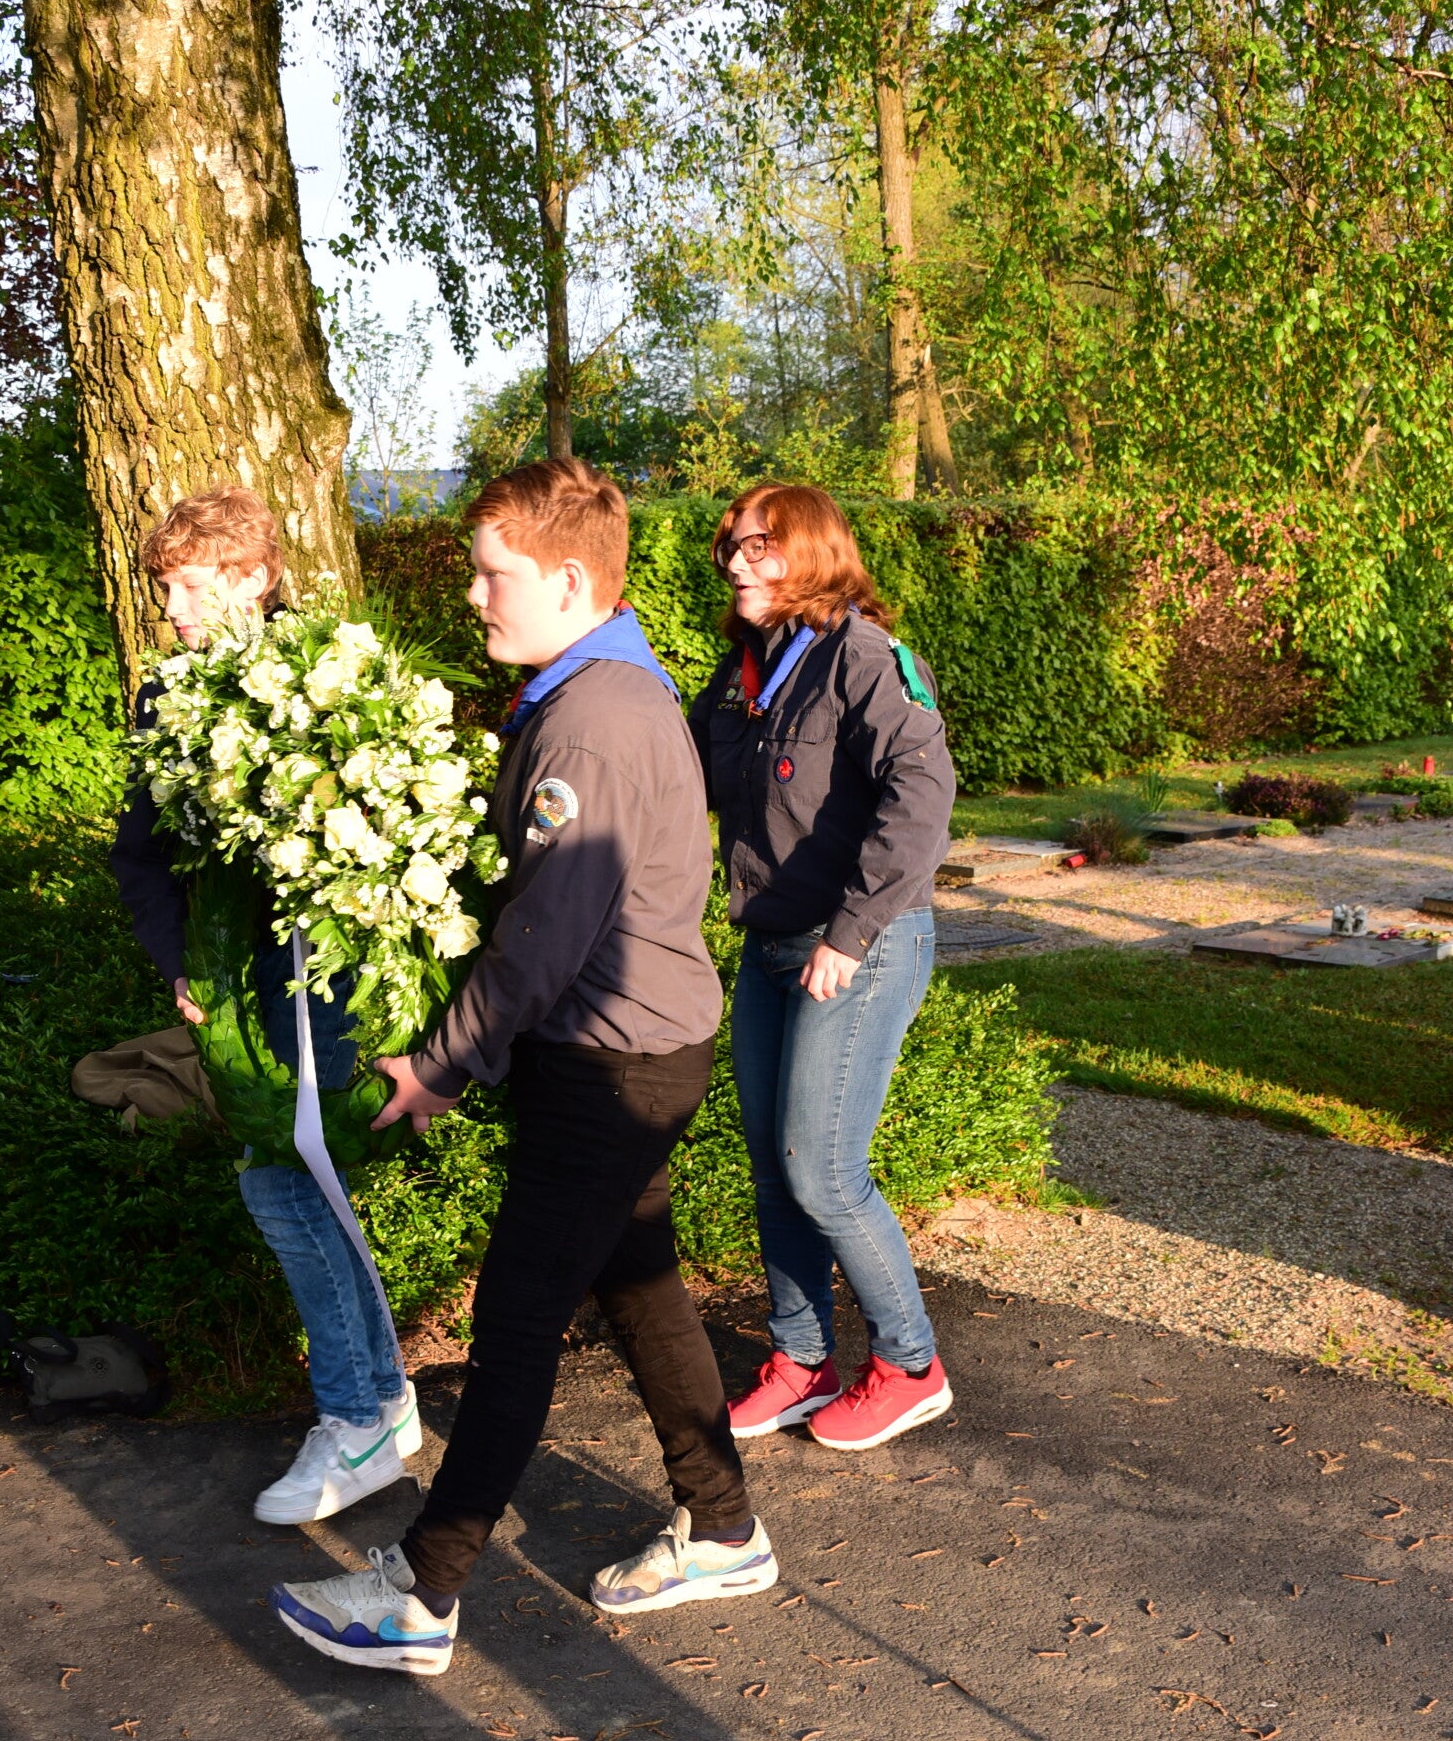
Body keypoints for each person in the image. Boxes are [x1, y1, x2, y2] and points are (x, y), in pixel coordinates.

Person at [270, 458, 771, 1678]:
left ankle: (421, 1592)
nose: (474, 593)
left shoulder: (591, 722)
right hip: (637, 1051)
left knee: (514, 1325)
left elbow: (544, 934)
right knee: (638, 1282)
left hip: (609, 1067)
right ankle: (723, 1527)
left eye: (493, 573)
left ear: (570, 580)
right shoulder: (596, 691)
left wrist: (443, 1062)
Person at [110, 486, 422, 1521]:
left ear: (253, 578)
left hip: (325, 982)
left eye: (190, 587)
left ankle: (356, 1417)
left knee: (291, 1187)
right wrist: (182, 965)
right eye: (165, 590)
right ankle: (380, 1401)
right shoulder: (166, 694)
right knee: (298, 1187)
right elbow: (141, 854)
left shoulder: (336, 674)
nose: (172, 611)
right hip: (232, 986)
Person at [695, 483, 957, 1451]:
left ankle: (911, 1365)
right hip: (770, 946)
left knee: (823, 1171)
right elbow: (684, 770)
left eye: (758, 544)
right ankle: (801, 1363)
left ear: (810, 550)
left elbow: (923, 793)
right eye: (731, 545)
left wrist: (848, 936)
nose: (736, 561)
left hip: (856, 946)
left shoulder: (863, 656)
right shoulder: (746, 670)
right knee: (775, 1170)